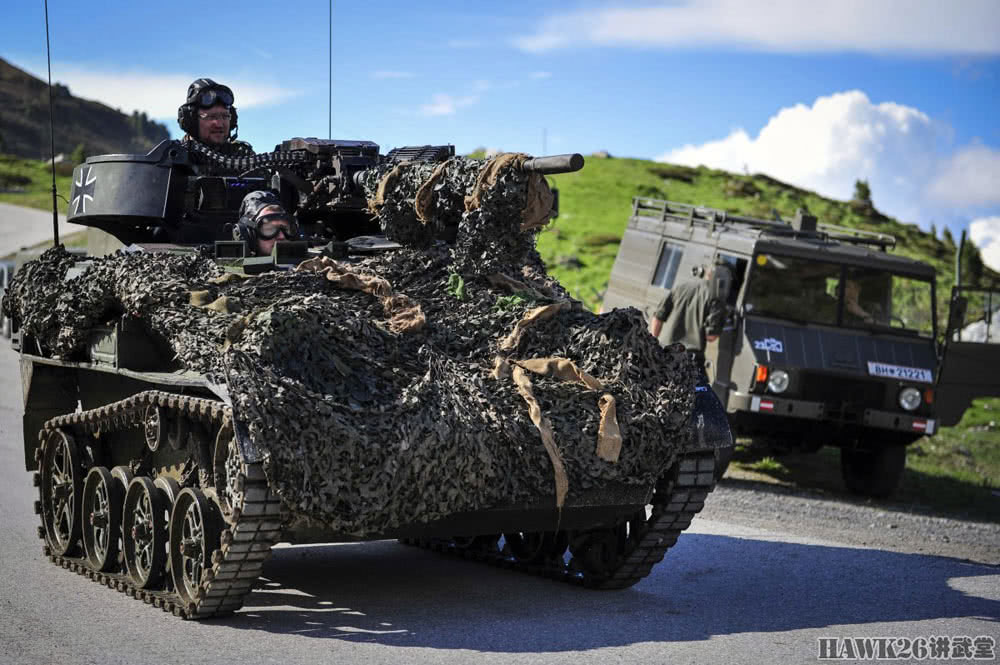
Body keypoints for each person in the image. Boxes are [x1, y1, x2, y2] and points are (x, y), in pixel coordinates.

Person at [650, 267, 725, 373]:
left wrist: (654, 342)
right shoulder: (715, 298)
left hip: (667, 352)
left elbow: (658, 317)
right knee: (700, 388)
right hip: (690, 359)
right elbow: (711, 337)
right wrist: (722, 324)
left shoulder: (681, 287)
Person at [176, 78, 254, 165]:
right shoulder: (174, 155)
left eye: (225, 116)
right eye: (211, 117)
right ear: (191, 120)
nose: (219, 124)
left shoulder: (242, 156)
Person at [235, 191, 299, 256]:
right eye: (270, 229)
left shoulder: (306, 264)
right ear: (248, 235)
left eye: (285, 228)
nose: (282, 236)